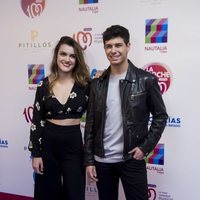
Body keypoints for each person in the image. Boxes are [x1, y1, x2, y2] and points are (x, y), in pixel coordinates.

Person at [84, 25, 168, 200]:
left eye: (118, 45)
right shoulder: (97, 83)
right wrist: (89, 160)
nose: (113, 50)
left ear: (128, 46)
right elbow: (90, 123)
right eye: (109, 46)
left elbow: (160, 116)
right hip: (102, 162)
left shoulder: (146, 80)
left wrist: (144, 148)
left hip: (131, 159)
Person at [28, 36, 91, 200]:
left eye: (72, 56)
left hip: (73, 144)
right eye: (63, 54)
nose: (67, 59)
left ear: (77, 60)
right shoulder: (43, 85)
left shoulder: (86, 85)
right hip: (49, 143)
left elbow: (95, 120)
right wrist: (36, 154)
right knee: (47, 193)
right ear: (56, 56)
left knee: (75, 193)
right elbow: (37, 121)